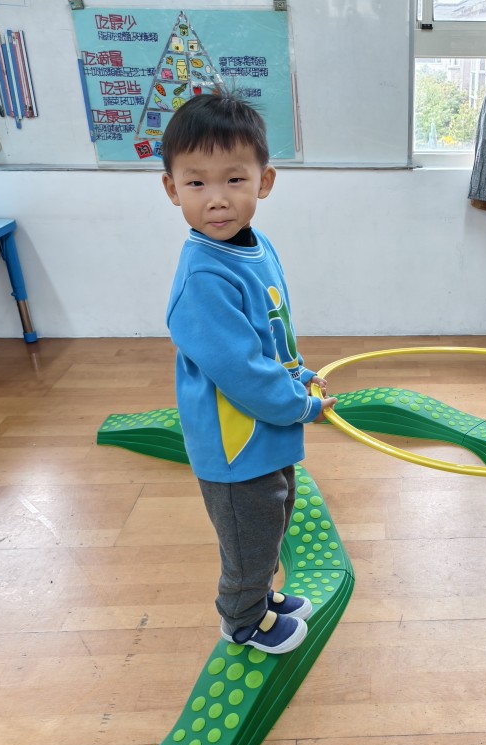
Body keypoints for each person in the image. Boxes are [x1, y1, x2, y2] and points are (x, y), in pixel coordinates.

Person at [161, 93, 336, 653]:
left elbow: (271, 333)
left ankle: (258, 596)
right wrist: (300, 405)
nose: (217, 198)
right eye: (196, 183)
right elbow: (242, 370)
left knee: (276, 516)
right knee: (249, 537)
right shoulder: (205, 278)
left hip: (264, 434)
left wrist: (299, 372)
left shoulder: (256, 248)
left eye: (234, 179)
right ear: (172, 189)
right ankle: (242, 619)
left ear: (265, 181)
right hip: (234, 443)